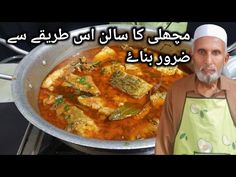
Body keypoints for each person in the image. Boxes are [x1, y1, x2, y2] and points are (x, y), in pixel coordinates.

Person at [155, 24, 236, 155]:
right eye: (201, 52)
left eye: (216, 53)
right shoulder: (176, 91)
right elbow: (164, 144)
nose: (208, 61)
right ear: (191, 57)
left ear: (226, 59)